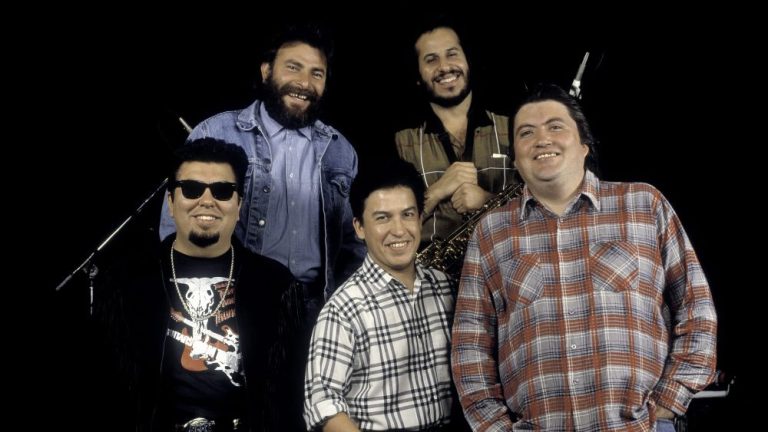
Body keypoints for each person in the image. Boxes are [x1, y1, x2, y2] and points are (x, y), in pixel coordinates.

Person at [451, 84, 717, 431]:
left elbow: (697, 310)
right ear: (515, 158)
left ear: (584, 144)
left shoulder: (643, 205)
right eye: (526, 133)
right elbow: (469, 346)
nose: (542, 139)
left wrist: (668, 402)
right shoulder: (492, 233)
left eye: (555, 126)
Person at [159, 24, 366, 321]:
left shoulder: (340, 151)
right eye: (293, 67)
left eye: (316, 73)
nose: (304, 83)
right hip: (232, 304)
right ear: (266, 70)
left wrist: (341, 305)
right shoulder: (217, 133)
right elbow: (173, 230)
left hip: (315, 311)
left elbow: (354, 244)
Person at [97, 138, 302, 431]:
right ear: (170, 201)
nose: (207, 201)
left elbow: (290, 396)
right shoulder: (124, 282)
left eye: (222, 191)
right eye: (192, 189)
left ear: (239, 204)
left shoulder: (277, 286)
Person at [304, 159, 462, 431]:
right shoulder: (343, 309)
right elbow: (323, 405)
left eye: (408, 214)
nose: (398, 230)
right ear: (359, 227)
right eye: (382, 218)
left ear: (420, 217)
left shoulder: (447, 288)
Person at [394, 18, 517, 250]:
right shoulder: (400, 142)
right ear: (418, 76)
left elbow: (544, 207)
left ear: (467, 61)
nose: (444, 67)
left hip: (508, 267)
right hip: (432, 278)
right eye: (431, 60)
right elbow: (389, 227)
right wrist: (438, 190)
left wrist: (487, 200)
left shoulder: (514, 128)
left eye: (452, 54)